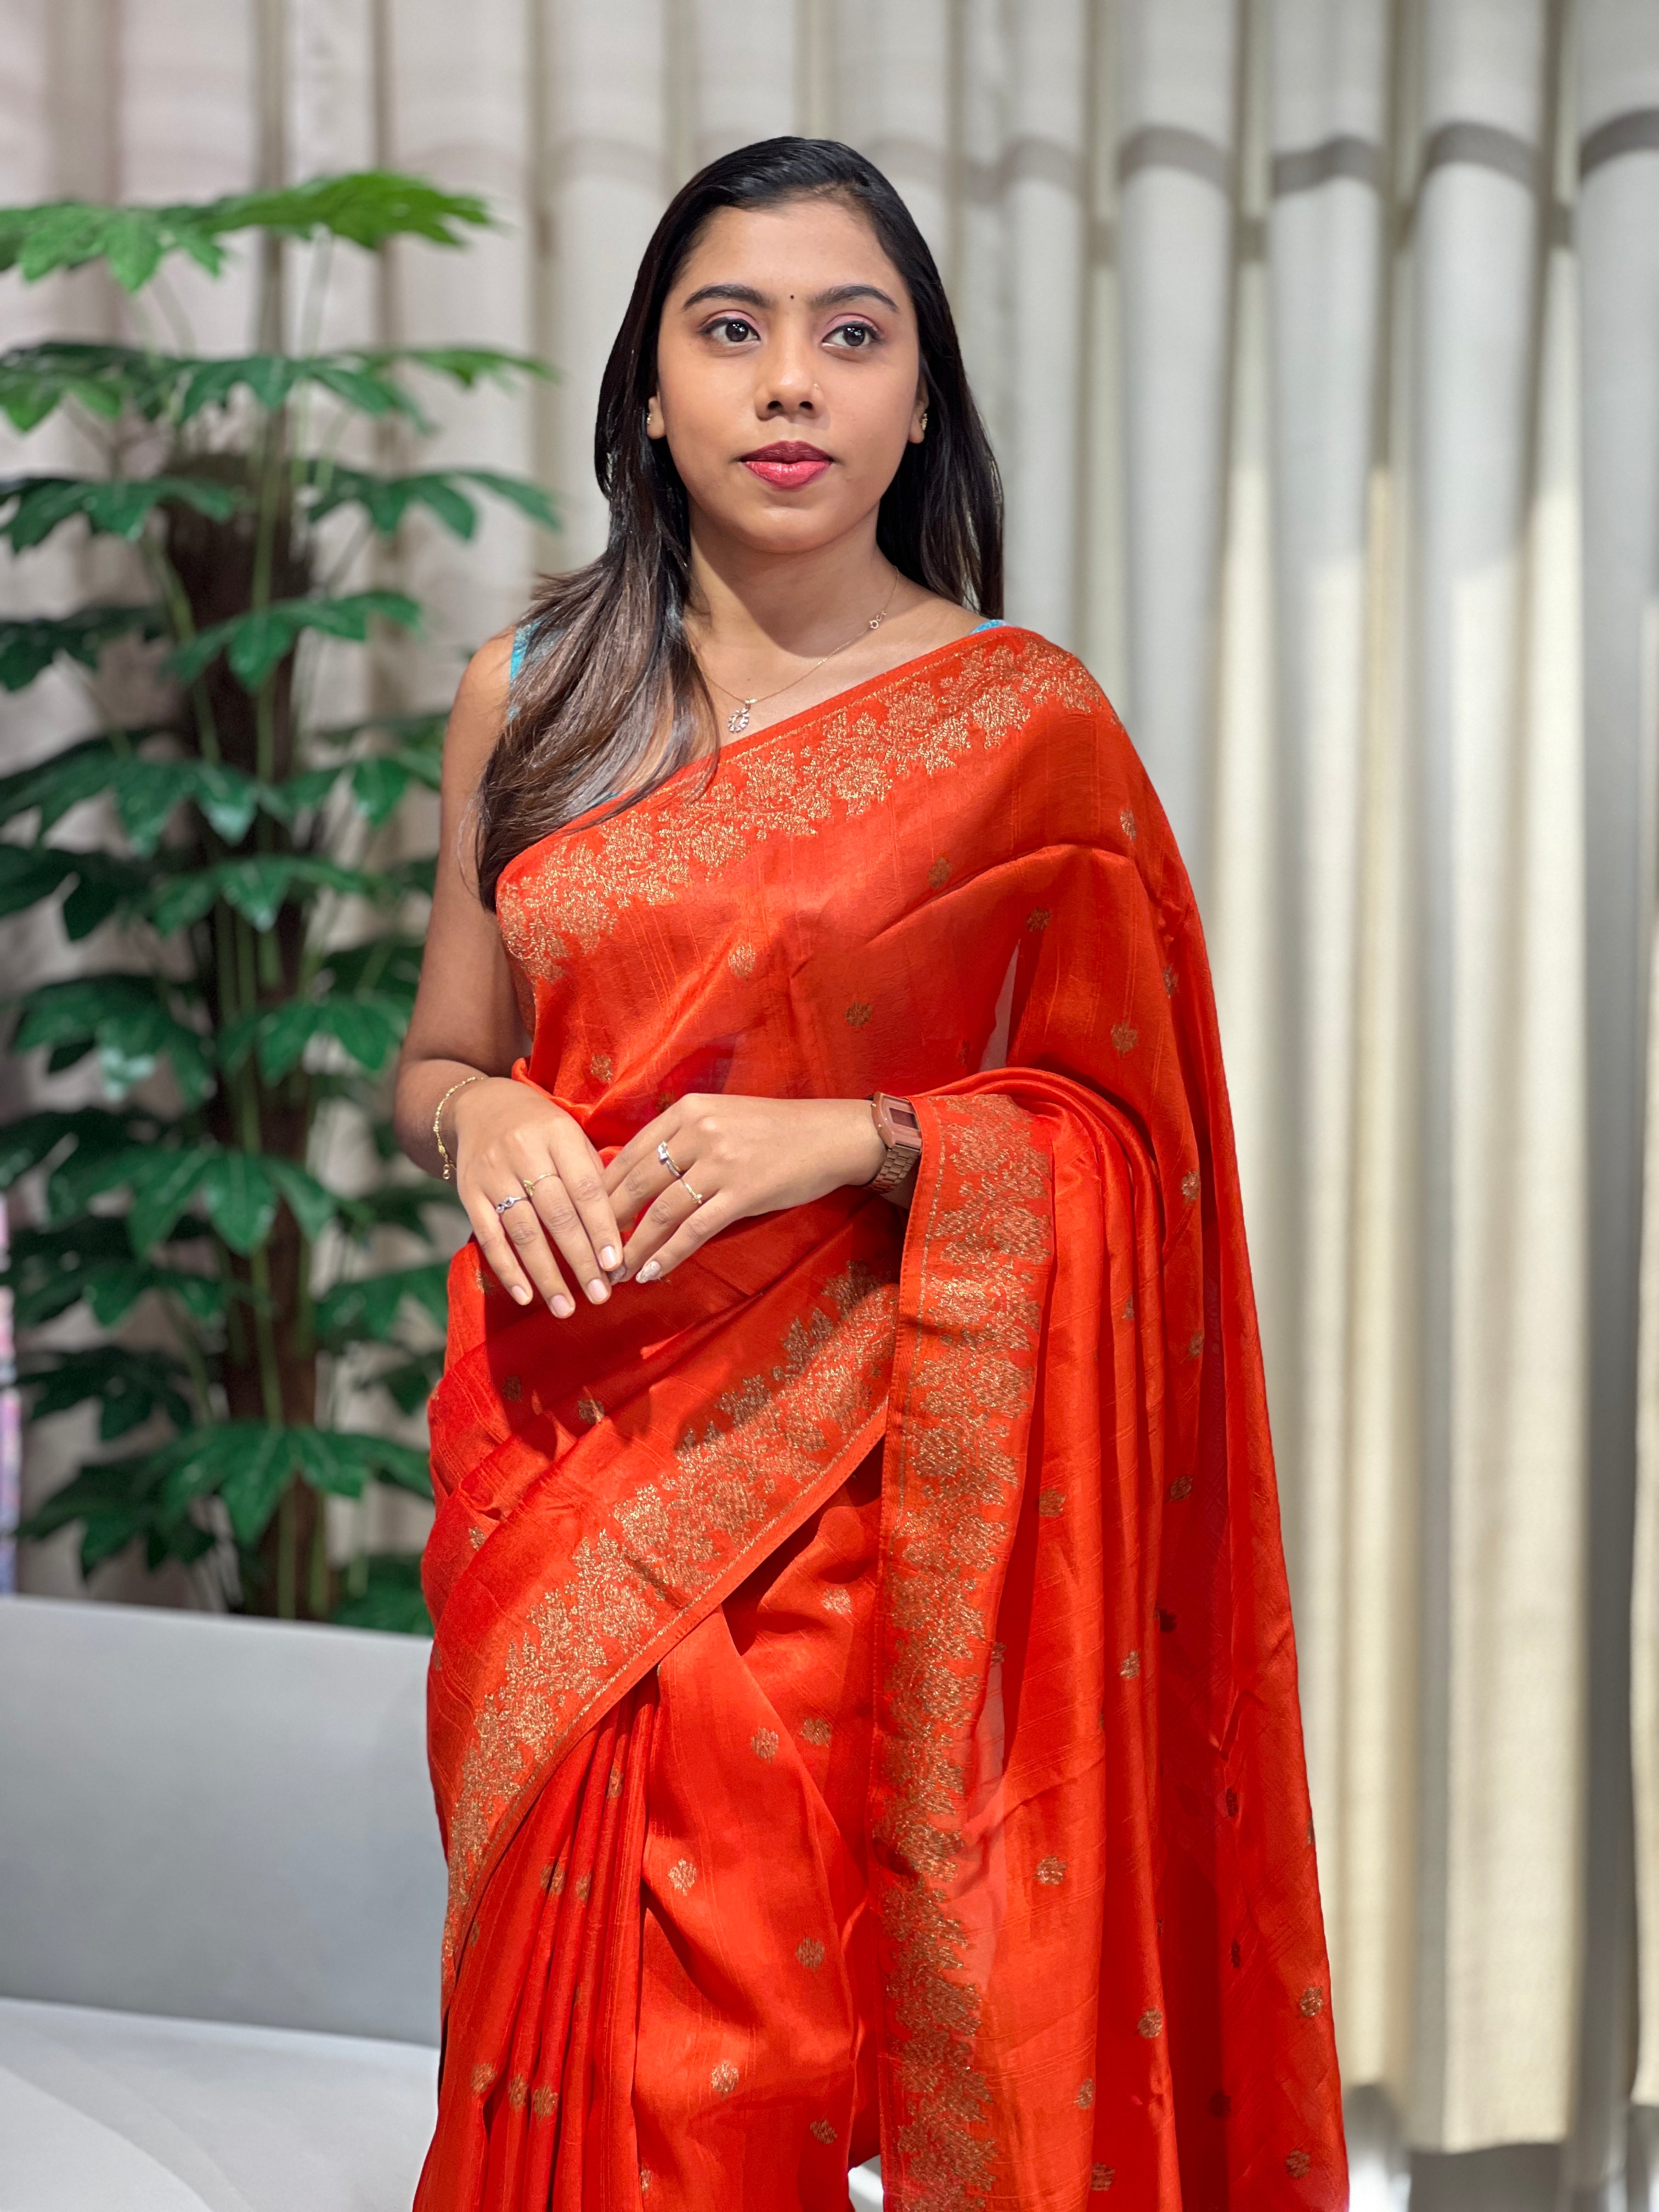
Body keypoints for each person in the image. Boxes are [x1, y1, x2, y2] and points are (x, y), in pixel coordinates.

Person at [394, 136, 1345, 2212]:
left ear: (922, 401)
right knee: (573, 2063)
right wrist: (488, 1118)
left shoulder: (1024, 731)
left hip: (855, 1522)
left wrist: (864, 1138)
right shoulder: (531, 697)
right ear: (652, 389)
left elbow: (1143, 1153)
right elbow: (441, 1059)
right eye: (730, 331)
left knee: (740, 2068)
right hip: (555, 1465)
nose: (789, 384)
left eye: (852, 336)